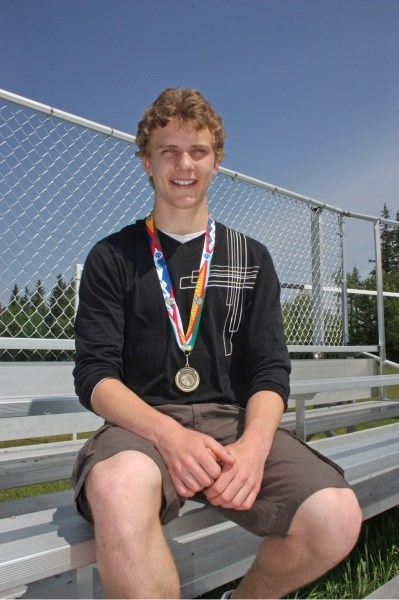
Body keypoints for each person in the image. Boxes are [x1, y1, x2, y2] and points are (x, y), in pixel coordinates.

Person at [72, 87, 362, 599]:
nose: (184, 165)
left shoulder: (250, 257)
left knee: (335, 517)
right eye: (168, 150)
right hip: (141, 425)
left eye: (198, 151)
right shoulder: (112, 256)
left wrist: (253, 446)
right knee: (117, 487)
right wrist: (169, 436)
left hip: (231, 423)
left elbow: (270, 370)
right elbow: (95, 377)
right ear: (146, 161)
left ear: (217, 161)